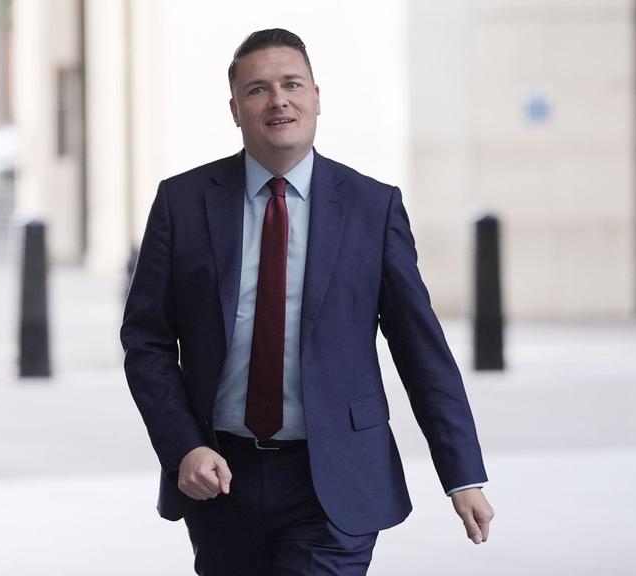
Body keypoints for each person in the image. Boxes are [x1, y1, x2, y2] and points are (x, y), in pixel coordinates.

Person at [120, 27, 494, 576]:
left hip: (336, 481)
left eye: (292, 84)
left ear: (316, 97)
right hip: (220, 478)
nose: (278, 100)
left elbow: (421, 350)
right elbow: (146, 341)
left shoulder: (372, 207)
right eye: (258, 89)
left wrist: (462, 474)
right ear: (235, 110)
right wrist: (183, 447)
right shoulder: (183, 202)